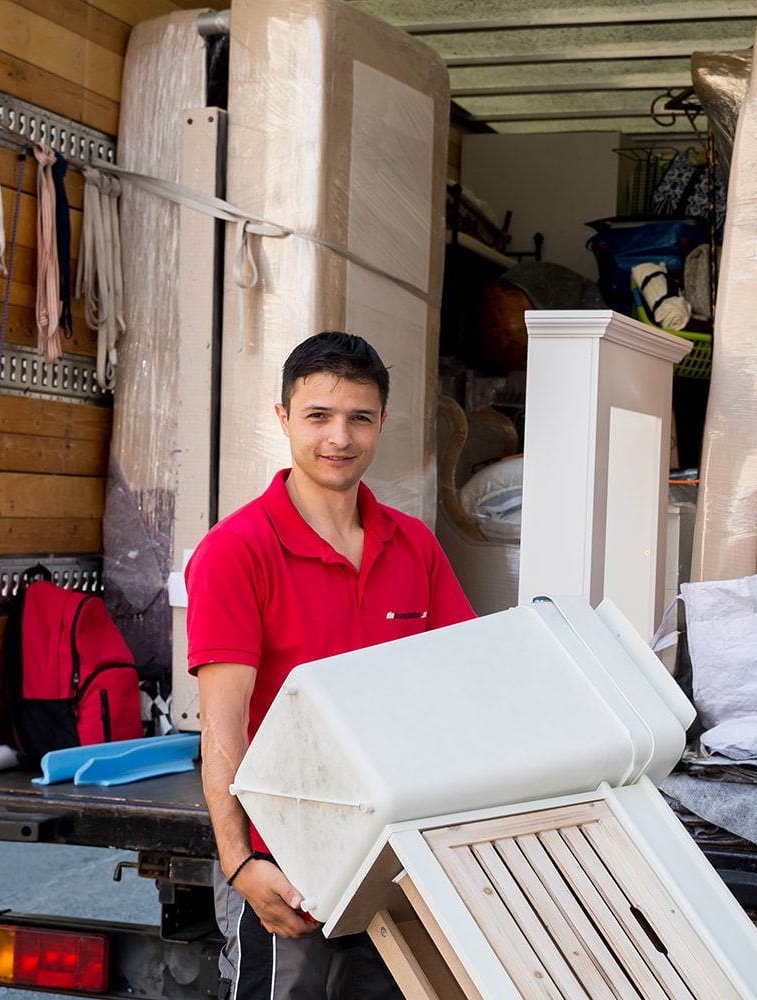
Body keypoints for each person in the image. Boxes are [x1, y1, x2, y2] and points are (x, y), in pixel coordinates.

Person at [186, 332, 476, 1000]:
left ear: (381, 423)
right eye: (318, 416)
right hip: (284, 854)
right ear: (284, 418)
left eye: (359, 418)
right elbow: (223, 729)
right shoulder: (237, 552)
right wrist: (239, 862)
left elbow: (457, 689)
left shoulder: (414, 547)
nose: (339, 437)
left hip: (392, 851)